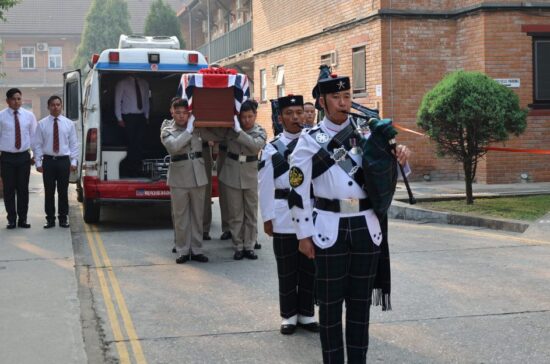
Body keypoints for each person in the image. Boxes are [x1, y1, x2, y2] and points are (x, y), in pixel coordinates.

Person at [288, 75, 410, 363]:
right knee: (329, 308)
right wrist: (303, 234)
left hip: (367, 227)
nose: (344, 103)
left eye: (347, 97)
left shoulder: (370, 132)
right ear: (322, 102)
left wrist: (402, 158)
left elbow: (392, 175)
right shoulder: (309, 141)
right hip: (329, 227)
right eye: (336, 98)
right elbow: (297, 190)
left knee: (359, 306)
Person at [259, 94, 318, 335]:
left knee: (309, 268)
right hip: (283, 215)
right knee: (287, 268)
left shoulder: (314, 143)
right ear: (280, 118)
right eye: (289, 114)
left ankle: (306, 313)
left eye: (298, 112)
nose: (295, 117)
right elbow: (264, 185)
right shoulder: (272, 148)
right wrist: (267, 217)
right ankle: (289, 316)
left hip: (311, 211)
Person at [161, 98, 208, 264]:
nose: (181, 116)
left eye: (185, 113)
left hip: (198, 175)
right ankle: (182, 250)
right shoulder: (167, 128)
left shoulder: (197, 125)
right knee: (181, 216)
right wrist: (189, 131)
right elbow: (173, 147)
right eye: (178, 113)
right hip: (179, 177)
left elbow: (218, 133)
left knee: (197, 215)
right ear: (172, 112)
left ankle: (196, 249)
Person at [33, 96, 79, 228]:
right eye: (53, 105)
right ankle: (50, 219)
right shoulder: (41, 124)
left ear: (61, 106)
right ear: (48, 107)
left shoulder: (69, 124)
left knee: (63, 192)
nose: (56, 107)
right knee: (49, 192)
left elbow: (73, 144)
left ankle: (63, 218)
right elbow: (37, 145)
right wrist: (38, 163)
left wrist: (74, 161)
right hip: (48, 161)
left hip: (64, 161)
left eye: (58, 104)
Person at [0, 88, 37, 229]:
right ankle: (11, 219)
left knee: (23, 189)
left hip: (23, 157)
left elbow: (34, 137)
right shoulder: (1, 116)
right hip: (7, 158)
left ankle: (23, 219)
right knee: (8, 190)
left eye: (19, 99)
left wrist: (36, 156)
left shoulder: (29, 116)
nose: (17, 101)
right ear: (7, 101)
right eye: (14, 99)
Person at [115, 74, 150, 177]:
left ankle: (138, 168)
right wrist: (119, 118)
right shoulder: (122, 83)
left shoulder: (145, 83)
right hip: (128, 117)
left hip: (141, 117)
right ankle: (129, 169)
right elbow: (117, 101)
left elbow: (146, 100)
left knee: (139, 143)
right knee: (130, 143)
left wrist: (147, 115)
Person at [216, 141, 232, 241]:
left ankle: (249, 234)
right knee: (224, 195)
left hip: (243, 151)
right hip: (224, 150)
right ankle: (227, 228)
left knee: (246, 196)